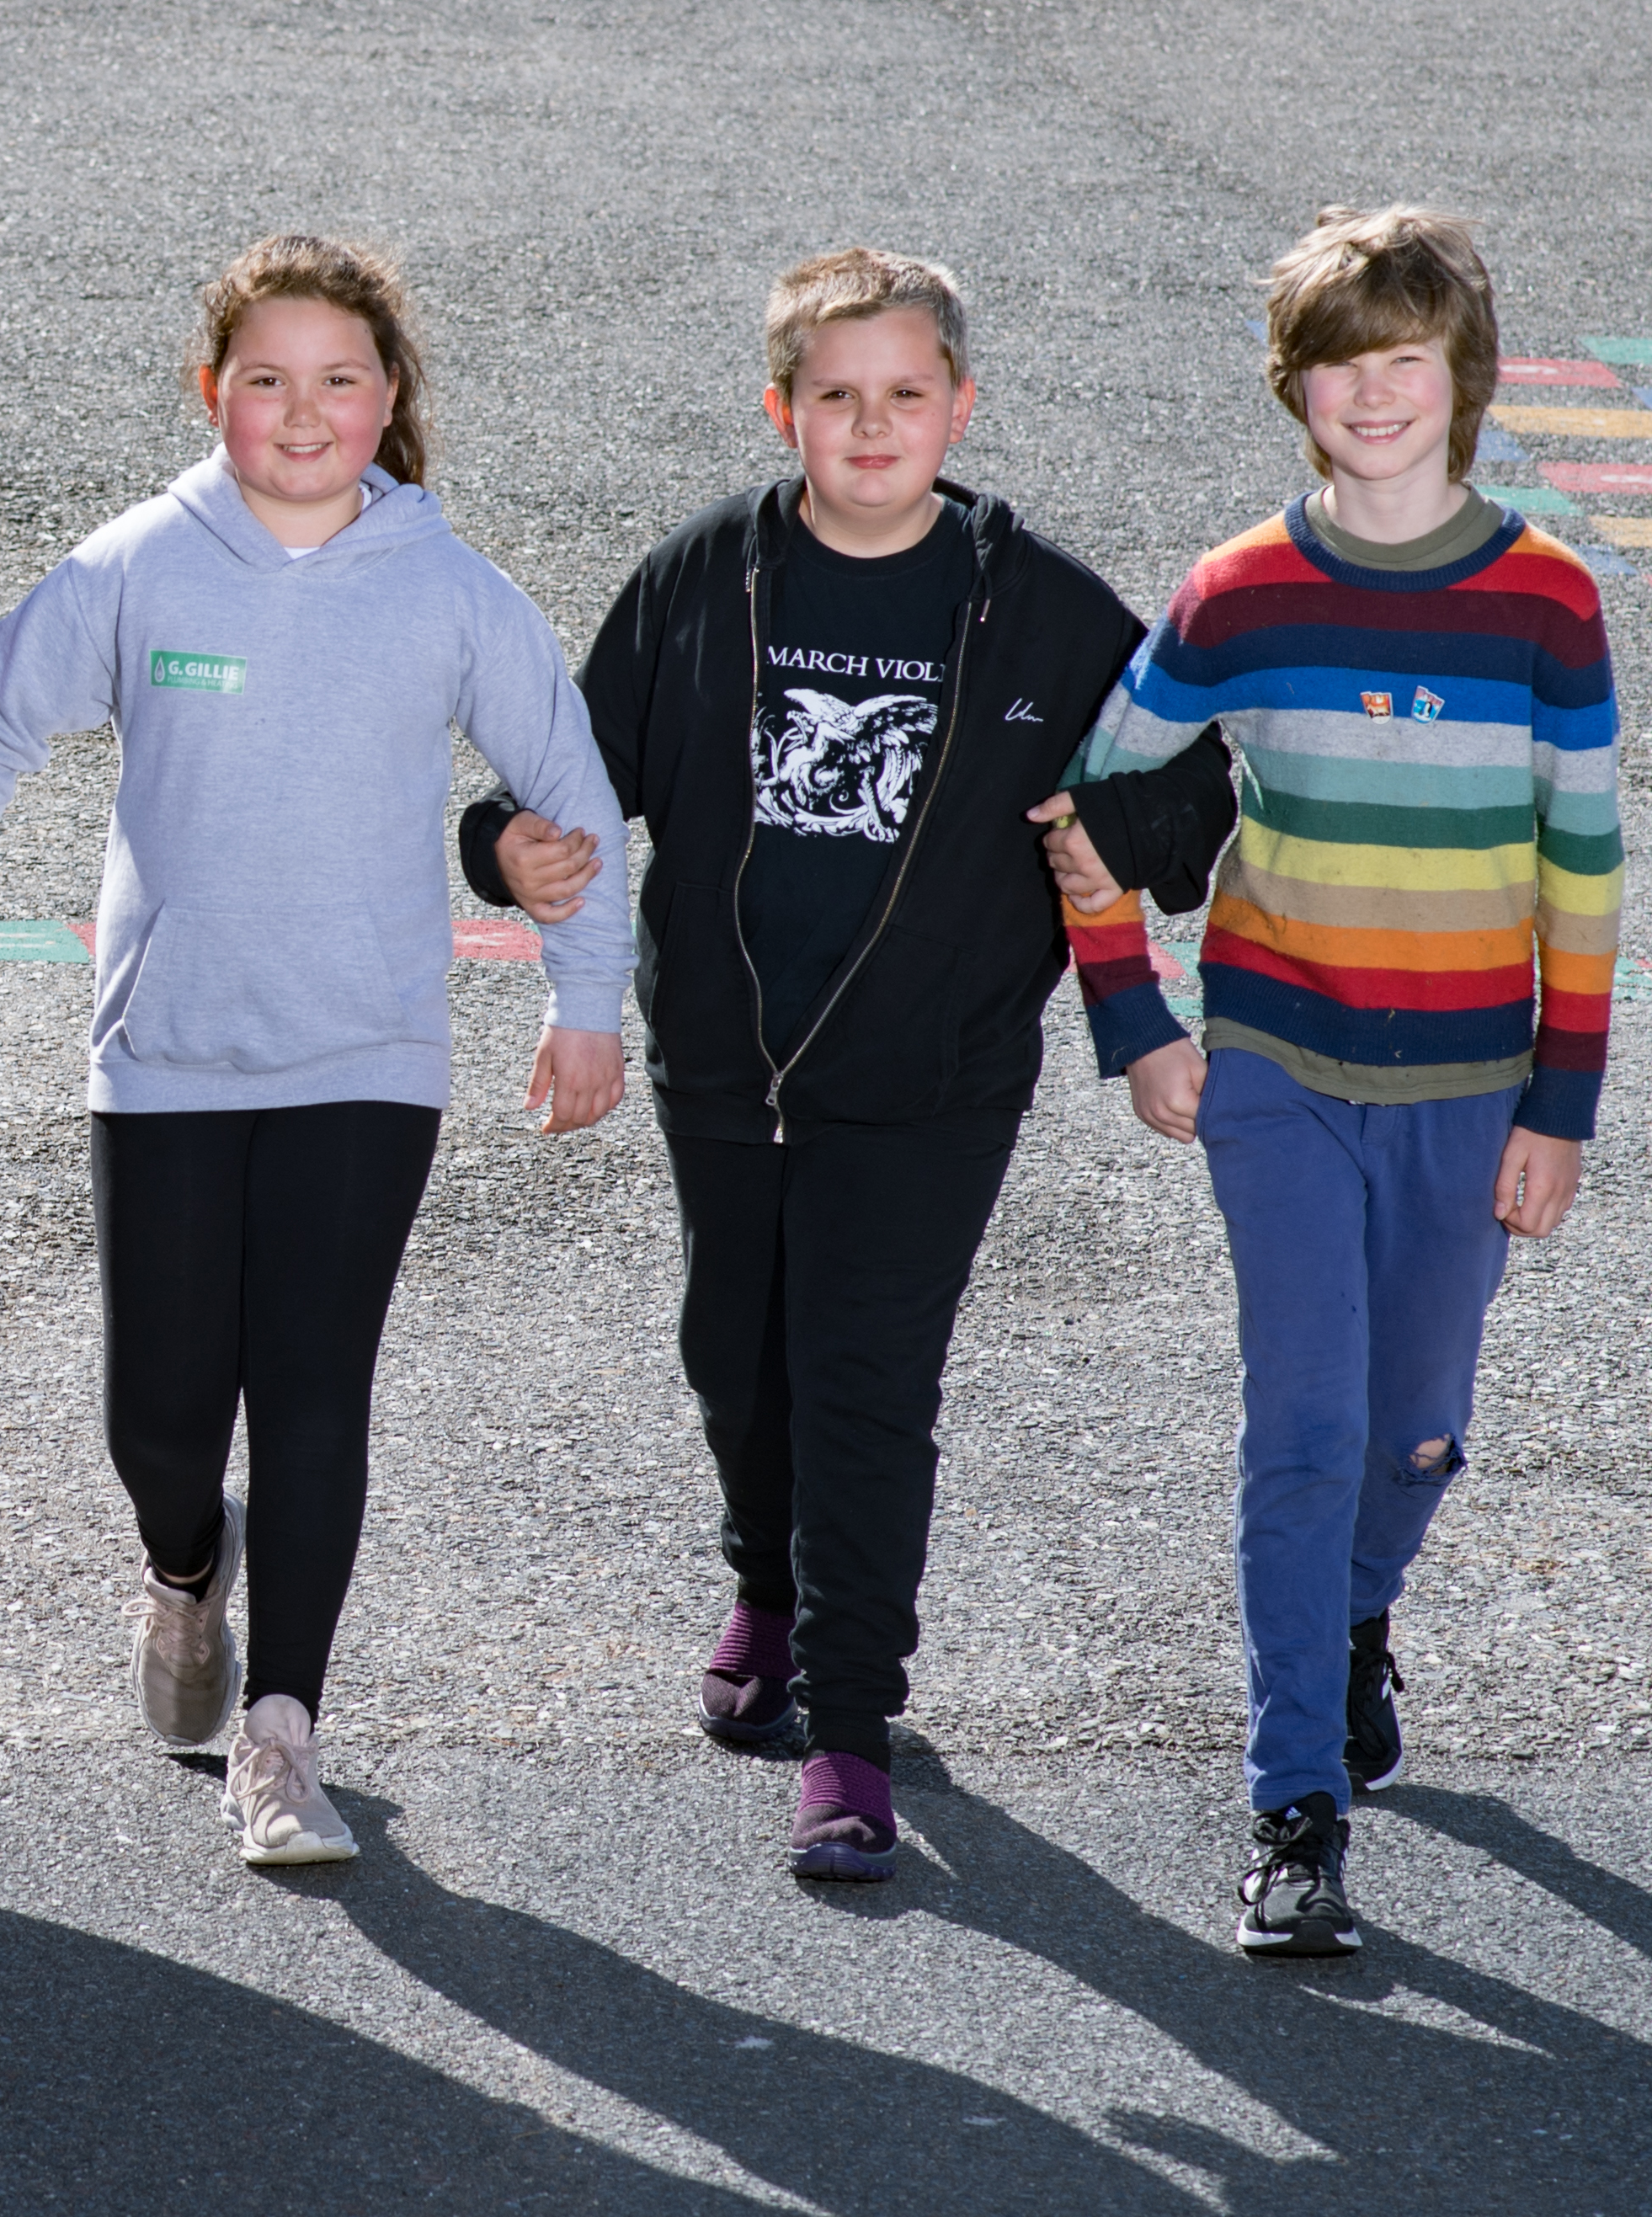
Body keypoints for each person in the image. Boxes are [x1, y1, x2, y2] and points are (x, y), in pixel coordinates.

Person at [0, 234, 632, 1868]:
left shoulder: (447, 585)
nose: (301, 408)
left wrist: (586, 1002)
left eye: (338, 377)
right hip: (170, 1050)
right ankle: (186, 1565)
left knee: (315, 1386)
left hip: (367, 1048)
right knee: (160, 1419)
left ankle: (283, 1737)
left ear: (387, 399)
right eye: (264, 377)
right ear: (212, 395)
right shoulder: (140, 564)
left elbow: (572, 795)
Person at [462, 248, 1235, 1882]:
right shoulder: (698, 584)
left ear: (957, 407)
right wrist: (500, 844)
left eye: (902, 395)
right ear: (779, 412)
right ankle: (763, 1571)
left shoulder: (1043, 612)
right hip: (726, 1058)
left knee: (862, 1383)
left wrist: (1110, 826)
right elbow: (569, 778)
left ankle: (845, 1730)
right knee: (733, 1351)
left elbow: (1188, 797)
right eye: (833, 396)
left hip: (929, 1077)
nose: (868, 425)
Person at [1043, 205, 1612, 1959]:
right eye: (1337, 366)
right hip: (1276, 1066)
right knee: (1299, 1427)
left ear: (1461, 379)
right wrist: (1133, 1016)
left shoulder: (1546, 601)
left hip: (1472, 1083)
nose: (1371, 396)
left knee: (1411, 1426)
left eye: (1404, 362)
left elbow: (1577, 868)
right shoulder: (1235, 591)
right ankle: (1293, 1800)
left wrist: (1557, 1107)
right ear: (1292, 388)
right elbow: (1079, 799)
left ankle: (1357, 1612)